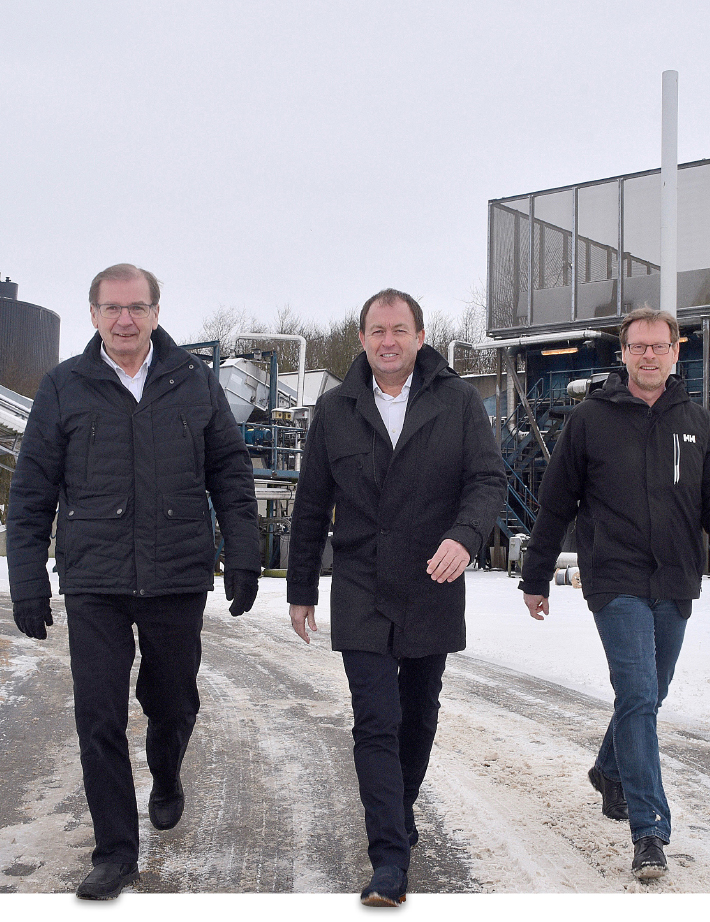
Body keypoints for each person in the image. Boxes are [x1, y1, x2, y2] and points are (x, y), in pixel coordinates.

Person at [6, 263, 261, 900]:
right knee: (99, 715)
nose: (125, 320)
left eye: (137, 308)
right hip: (95, 578)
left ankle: (167, 773)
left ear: (155, 313)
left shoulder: (194, 383)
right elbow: (32, 491)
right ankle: (115, 853)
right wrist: (27, 581)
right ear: (94, 315)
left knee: (173, 703)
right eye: (113, 308)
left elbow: (230, 474)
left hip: (176, 574)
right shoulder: (64, 387)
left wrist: (244, 555)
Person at [518, 306, 710, 881]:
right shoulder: (590, 420)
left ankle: (609, 770)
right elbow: (556, 505)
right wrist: (536, 576)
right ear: (623, 354)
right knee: (638, 689)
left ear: (675, 352)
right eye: (638, 346)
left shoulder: (696, 422)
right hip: (615, 578)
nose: (648, 355)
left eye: (659, 346)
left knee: (651, 693)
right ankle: (649, 830)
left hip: (675, 577)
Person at [286, 288, 506, 907]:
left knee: (418, 714)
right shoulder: (336, 409)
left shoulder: (458, 402)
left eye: (399, 330)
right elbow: (311, 504)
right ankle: (388, 858)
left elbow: (487, 480)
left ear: (419, 337)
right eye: (377, 331)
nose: (388, 341)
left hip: (433, 576)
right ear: (362, 339)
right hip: (361, 581)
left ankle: (398, 810)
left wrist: (465, 536)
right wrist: (301, 588)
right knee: (375, 720)